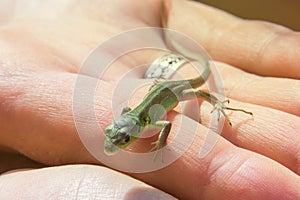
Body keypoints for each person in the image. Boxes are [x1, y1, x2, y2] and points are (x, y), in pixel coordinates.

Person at [0, 0, 299, 199]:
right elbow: (129, 109)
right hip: (160, 90)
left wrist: (160, 141)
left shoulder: (150, 121)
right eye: (118, 138)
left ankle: (217, 101)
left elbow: (165, 127)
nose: (117, 144)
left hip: (176, 89)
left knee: (198, 91)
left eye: (120, 139)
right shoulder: (135, 118)